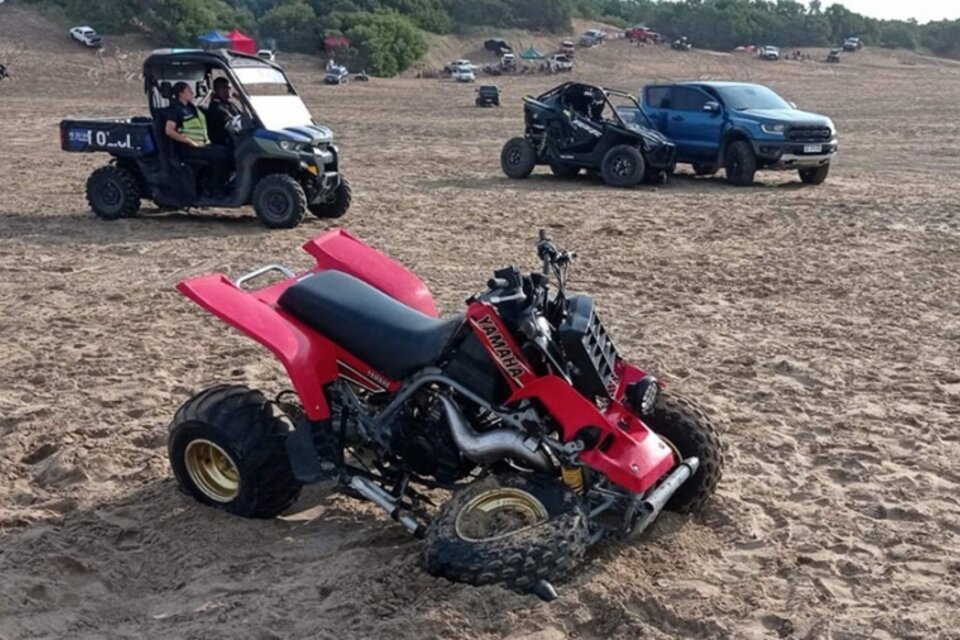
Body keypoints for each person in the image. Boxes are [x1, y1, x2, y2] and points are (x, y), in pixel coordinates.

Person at [165, 81, 231, 195]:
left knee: (224, 151)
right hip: (187, 148)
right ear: (181, 93)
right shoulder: (176, 110)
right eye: (189, 91)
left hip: (200, 144)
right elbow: (169, 131)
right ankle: (215, 189)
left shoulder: (191, 107)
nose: (192, 93)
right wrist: (188, 141)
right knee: (220, 156)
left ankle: (219, 185)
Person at [206, 76, 243, 147]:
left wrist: (242, 102)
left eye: (229, 88)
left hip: (234, 139)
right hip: (225, 142)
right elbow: (233, 124)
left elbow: (243, 117)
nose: (227, 90)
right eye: (224, 88)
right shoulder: (216, 106)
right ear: (216, 90)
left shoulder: (230, 104)